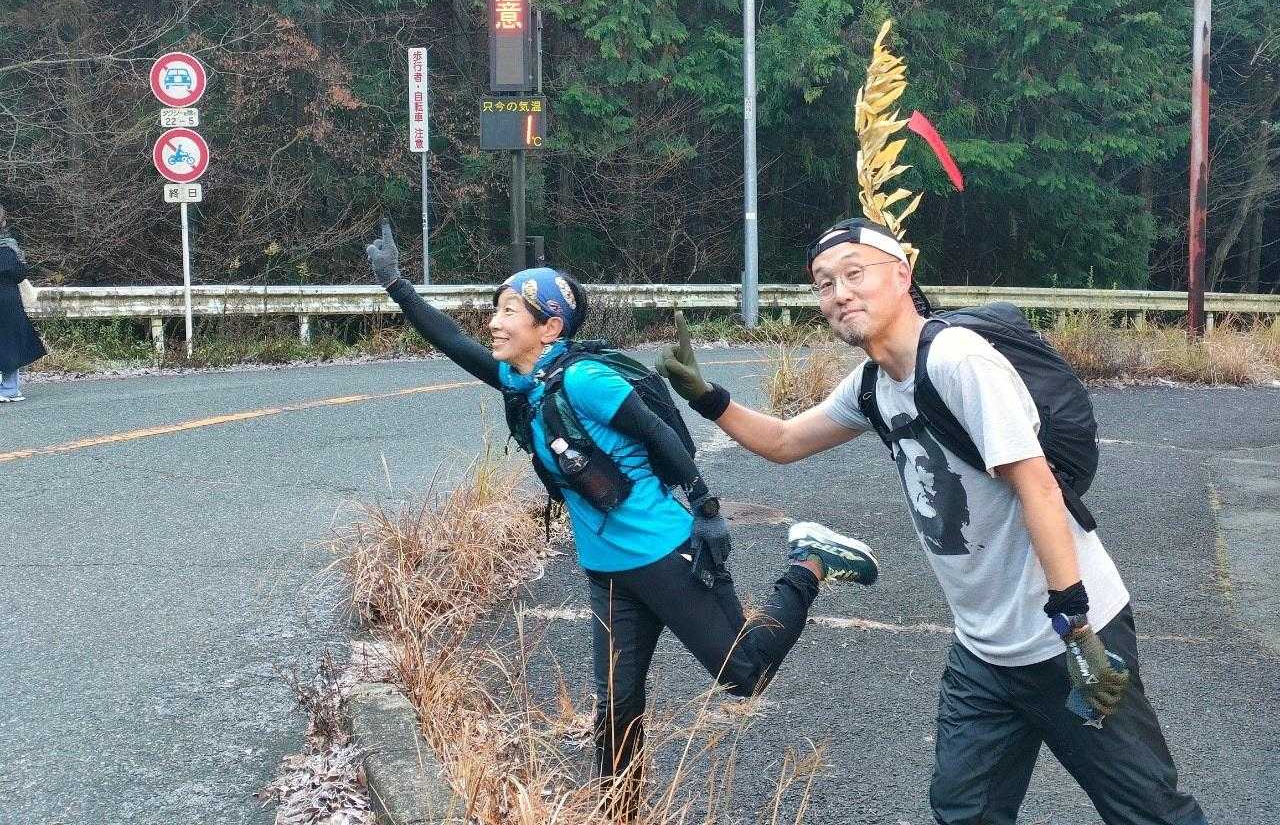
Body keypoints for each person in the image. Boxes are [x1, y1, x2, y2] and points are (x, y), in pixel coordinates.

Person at [657, 216, 1208, 825]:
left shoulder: (957, 361)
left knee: (1148, 812)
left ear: (901, 275)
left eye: (854, 274)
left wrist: (1075, 626)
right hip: (985, 654)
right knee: (963, 812)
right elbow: (786, 441)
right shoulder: (873, 384)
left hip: (1069, 636)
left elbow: (1039, 487)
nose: (839, 293)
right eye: (824, 283)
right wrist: (706, 396)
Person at [365, 221, 880, 816]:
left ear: (549, 327)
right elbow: (455, 342)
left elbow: (660, 436)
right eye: (497, 310)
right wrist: (398, 286)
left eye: (510, 312)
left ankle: (810, 559)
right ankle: (621, 813)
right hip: (607, 572)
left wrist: (707, 509)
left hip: (665, 555)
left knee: (745, 672)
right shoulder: (523, 382)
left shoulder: (585, 379)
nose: (495, 323)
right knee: (616, 710)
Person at [0, 204, 46, 403]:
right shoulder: (8, 247)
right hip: (8, 299)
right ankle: (10, 388)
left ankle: (8, 389)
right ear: (3, 222)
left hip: (6, 299)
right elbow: (20, 272)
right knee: (11, 343)